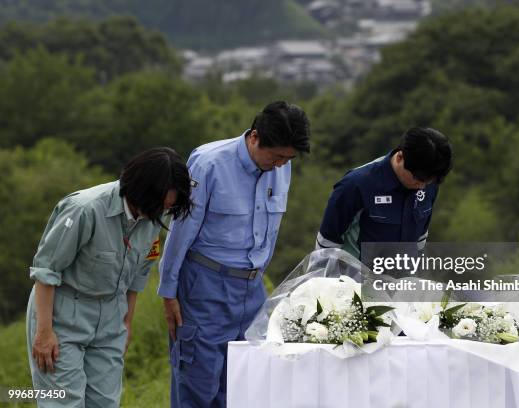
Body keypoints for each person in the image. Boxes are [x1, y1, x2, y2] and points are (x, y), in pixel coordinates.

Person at [158, 100, 310, 408]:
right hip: (204, 289)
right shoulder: (208, 163)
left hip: (252, 291)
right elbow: (180, 232)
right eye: (277, 156)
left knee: (244, 387)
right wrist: (169, 292)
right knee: (197, 387)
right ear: (255, 137)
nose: (281, 164)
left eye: (287, 158)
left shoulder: (282, 167)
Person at [26, 147, 192, 408]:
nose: (164, 211)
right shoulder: (85, 209)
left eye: (169, 206)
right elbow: (46, 272)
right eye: (161, 204)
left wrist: (126, 326)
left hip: (111, 318)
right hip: (62, 313)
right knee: (64, 402)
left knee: (105, 402)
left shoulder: (151, 219)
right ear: (142, 190)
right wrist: (44, 333)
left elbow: (137, 277)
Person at [316, 127, 452, 259]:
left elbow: (420, 241)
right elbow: (326, 245)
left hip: (401, 278)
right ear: (400, 158)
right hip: (355, 278)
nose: (422, 187)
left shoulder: (429, 181)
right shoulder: (355, 185)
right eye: (418, 179)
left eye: (428, 181)